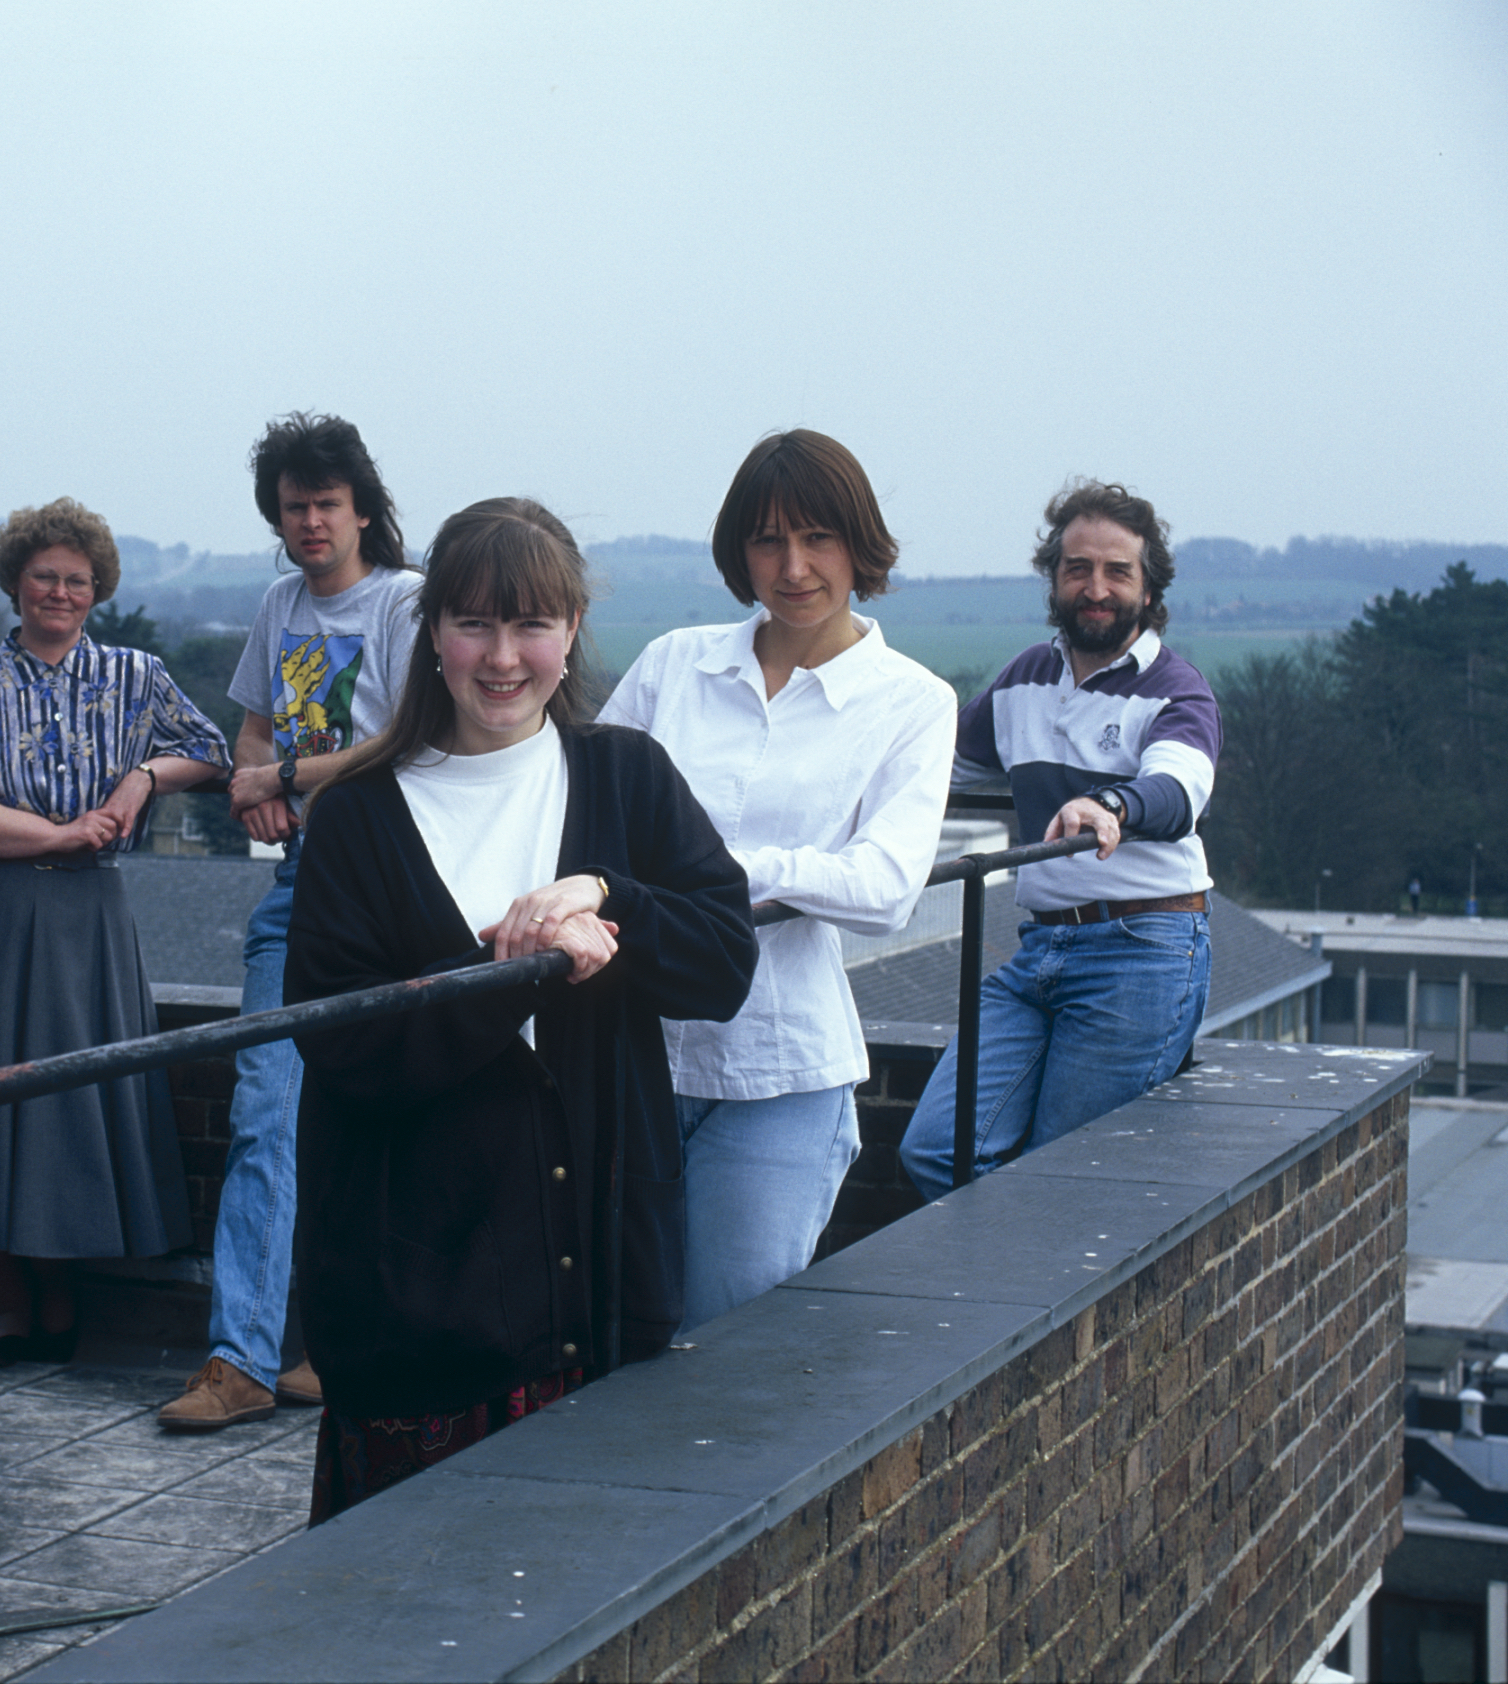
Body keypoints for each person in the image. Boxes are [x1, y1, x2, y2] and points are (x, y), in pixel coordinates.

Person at [283, 497, 757, 1522]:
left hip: (601, 1286)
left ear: (571, 630)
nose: (503, 658)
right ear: (431, 635)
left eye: (531, 624)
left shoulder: (626, 777)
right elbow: (342, 1046)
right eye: (474, 624)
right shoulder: (355, 815)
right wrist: (518, 966)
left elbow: (723, 965)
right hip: (424, 1305)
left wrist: (609, 895)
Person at [600, 431, 957, 1337]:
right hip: (631, 1054)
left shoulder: (912, 701)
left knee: (722, 1344)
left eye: (817, 538)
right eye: (767, 541)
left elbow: (884, 888)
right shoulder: (672, 665)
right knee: (610, 1338)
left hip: (780, 1074)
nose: (792, 568)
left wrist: (714, 867)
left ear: (858, 543)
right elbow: (583, 816)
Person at [0, 497, 232, 1368]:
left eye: (76, 580)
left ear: (97, 589)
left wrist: (140, 779)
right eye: (43, 576)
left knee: (66, 1105)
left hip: (85, 920)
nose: (59, 592)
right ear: (15, 584)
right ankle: (10, 1307)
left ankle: (61, 1299)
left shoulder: (134, 675)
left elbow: (211, 750)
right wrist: (54, 835)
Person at [158, 413, 427, 1432]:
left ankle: (345, 1342)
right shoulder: (280, 604)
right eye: (291, 506)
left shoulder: (402, 601)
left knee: (381, 1115)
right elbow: (254, 729)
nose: (309, 521)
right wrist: (257, 787)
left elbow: (409, 739)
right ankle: (240, 1359)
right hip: (303, 882)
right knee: (266, 1109)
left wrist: (282, 776)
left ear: (361, 509)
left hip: (394, 886)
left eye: (325, 503)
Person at [898, 480, 1220, 1198]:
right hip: (1040, 948)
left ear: (1148, 588)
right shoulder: (1024, 680)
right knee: (936, 1152)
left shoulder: (1176, 690)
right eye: (1078, 568)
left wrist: (1110, 804)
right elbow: (929, 766)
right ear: (1054, 579)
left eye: (1117, 572)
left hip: (1142, 951)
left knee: (1062, 1184)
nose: (1095, 588)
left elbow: (1178, 790)